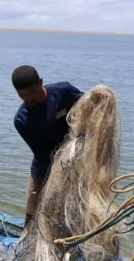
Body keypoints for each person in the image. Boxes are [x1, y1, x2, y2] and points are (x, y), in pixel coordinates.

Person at [12, 65, 84, 226]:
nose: (30, 101)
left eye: (33, 96)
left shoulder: (64, 91)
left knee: (77, 205)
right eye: (23, 97)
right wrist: (57, 176)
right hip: (45, 162)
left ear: (40, 82)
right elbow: (41, 153)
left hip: (76, 153)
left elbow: (87, 106)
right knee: (34, 200)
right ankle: (28, 233)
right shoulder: (21, 120)